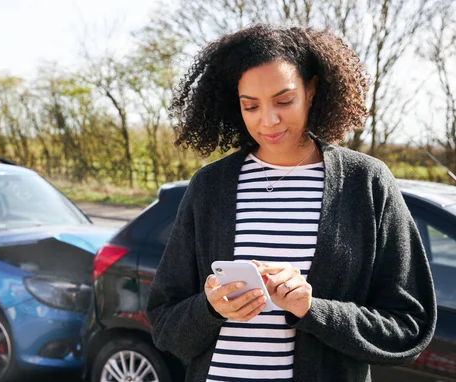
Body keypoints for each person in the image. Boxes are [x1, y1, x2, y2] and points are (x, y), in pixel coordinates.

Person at [146, 24, 436, 382]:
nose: (268, 120)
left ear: (311, 90)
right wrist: (209, 309)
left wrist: (312, 309)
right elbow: (163, 321)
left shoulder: (366, 183)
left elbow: (409, 326)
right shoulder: (210, 186)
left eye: (284, 100)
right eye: (250, 106)